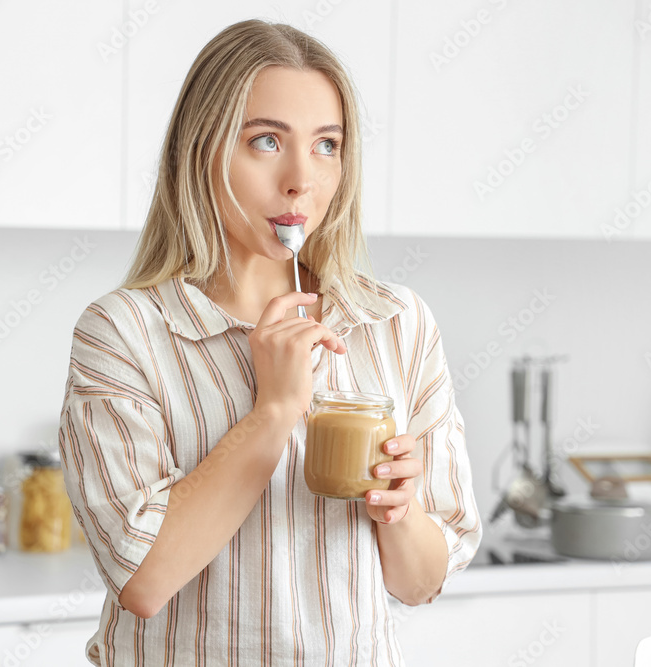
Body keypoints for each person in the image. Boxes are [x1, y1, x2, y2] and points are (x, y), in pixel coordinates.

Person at [57, 19, 481, 666]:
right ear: (200, 150)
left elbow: (422, 582)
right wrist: (275, 410)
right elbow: (142, 578)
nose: (300, 180)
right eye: (265, 141)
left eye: (327, 146)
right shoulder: (124, 333)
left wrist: (401, 510)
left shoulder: (396, 323)